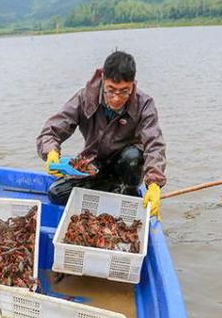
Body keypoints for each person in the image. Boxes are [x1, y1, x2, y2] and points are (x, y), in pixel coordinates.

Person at [36, 50, 166, 218]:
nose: (117, 98)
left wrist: (154, 184)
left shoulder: (144, 104)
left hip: (126, 165)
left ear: (133, 84)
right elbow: (51, 130)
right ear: (103, 80)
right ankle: (113, 189)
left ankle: (128, 191)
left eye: (124, 91)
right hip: (94, 164)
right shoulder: (84, 97)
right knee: (56, 193)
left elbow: (154, 144)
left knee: (133, 157)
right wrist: (51, 152)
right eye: (111, 90)